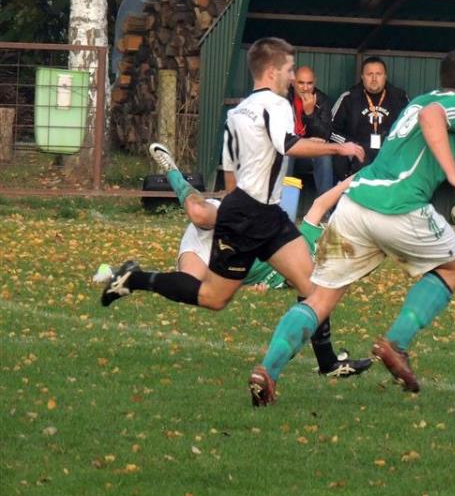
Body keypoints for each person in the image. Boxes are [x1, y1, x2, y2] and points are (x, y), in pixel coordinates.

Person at [248, 48, 455, 406]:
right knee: (453, 267)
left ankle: (268, 371)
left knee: (320, 298)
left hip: (355, 206)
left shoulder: (417, 101)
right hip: (399, 207)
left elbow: (430, 140)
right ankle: (397, 343)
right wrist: (454, 174)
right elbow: (433, 118)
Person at [100, 36, 365, 317]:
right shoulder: (277, 105)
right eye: (289, 70)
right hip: (248, 214)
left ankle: (322, 352)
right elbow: (288, 145)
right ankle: (135, 278)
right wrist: (339, 148)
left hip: (261, 214)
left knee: (311, 290)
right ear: (272, 72)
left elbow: (230, 176)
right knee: (213, 296)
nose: (292, 77)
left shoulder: (237, 112)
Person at [147, 142, 371, 379]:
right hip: (234, 227)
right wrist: (359, 177)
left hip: (215, 260)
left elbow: (308, 303)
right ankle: (173, 173)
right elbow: (320, 203)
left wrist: (255, 289)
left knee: (191, 285)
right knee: (199, 213)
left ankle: (133, 278)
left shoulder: (317, 277)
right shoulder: (310, 235)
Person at [330, 56, 409, 182]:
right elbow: (330, 130)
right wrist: (350, 144)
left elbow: (411, 128)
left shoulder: (399, 98)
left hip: (389, 151)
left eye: (378, 74)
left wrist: (395, 146)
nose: (374, 79)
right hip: (358, 151)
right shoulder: (349, 98)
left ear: (385, 76)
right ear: (362, 76)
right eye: (369, 74)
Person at [287, 65, 335, 197]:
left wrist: (310, 113)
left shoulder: (322, 100)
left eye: (309, 83)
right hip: (289, 150)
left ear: (315, 82)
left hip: (309, 154)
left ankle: (325, 206)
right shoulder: (284, 98)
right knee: (286, 154)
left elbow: (326, 135)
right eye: (301, 83)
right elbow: (280, 134)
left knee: (324, 155)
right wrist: (304, 141)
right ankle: (284, 204)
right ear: (293, 82)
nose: (305, 87)